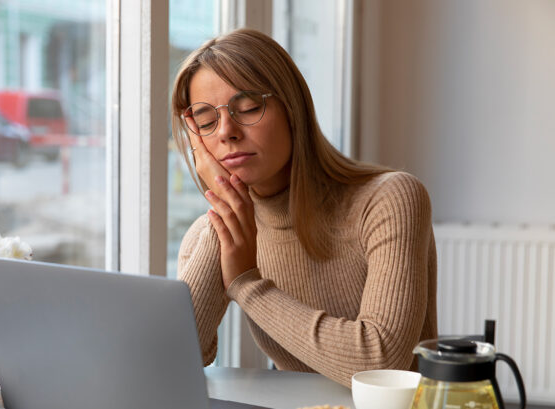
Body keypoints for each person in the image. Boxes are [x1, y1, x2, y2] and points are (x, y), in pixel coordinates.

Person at [171, 28, 437, 387]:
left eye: (248, 107)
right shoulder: (214, 232)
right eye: (206, 121)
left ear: (293, 108)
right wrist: (223, 203)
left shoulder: (389, 199)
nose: (226, 132)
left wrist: (245, 284)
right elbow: (176, 356)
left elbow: (381, 361)